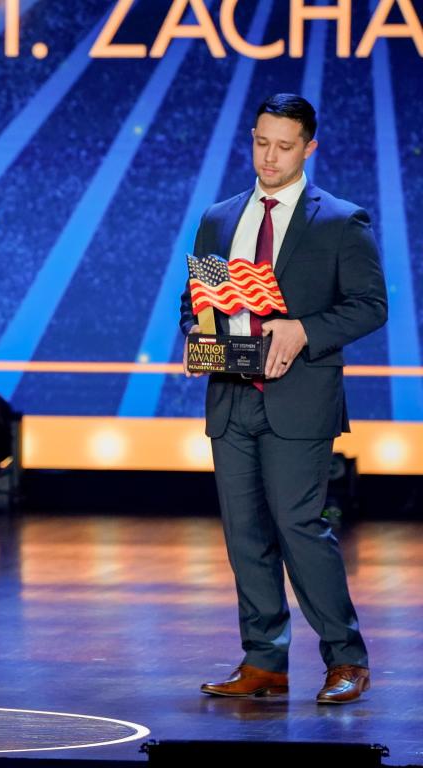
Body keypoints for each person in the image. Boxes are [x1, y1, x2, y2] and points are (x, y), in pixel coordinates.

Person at [180, 94, 387, 704]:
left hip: (299, 399)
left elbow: (371, 305)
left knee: (300, 527)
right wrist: (200, 341)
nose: (270, 157)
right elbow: (194, 302)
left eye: (285, 146)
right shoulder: (220, 217)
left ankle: (346, 658)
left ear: (309, 147)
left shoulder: (339, 220)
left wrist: (303, 329)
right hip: (230, 398)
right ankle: (264, 661)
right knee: (245, 534)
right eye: (261, 142)